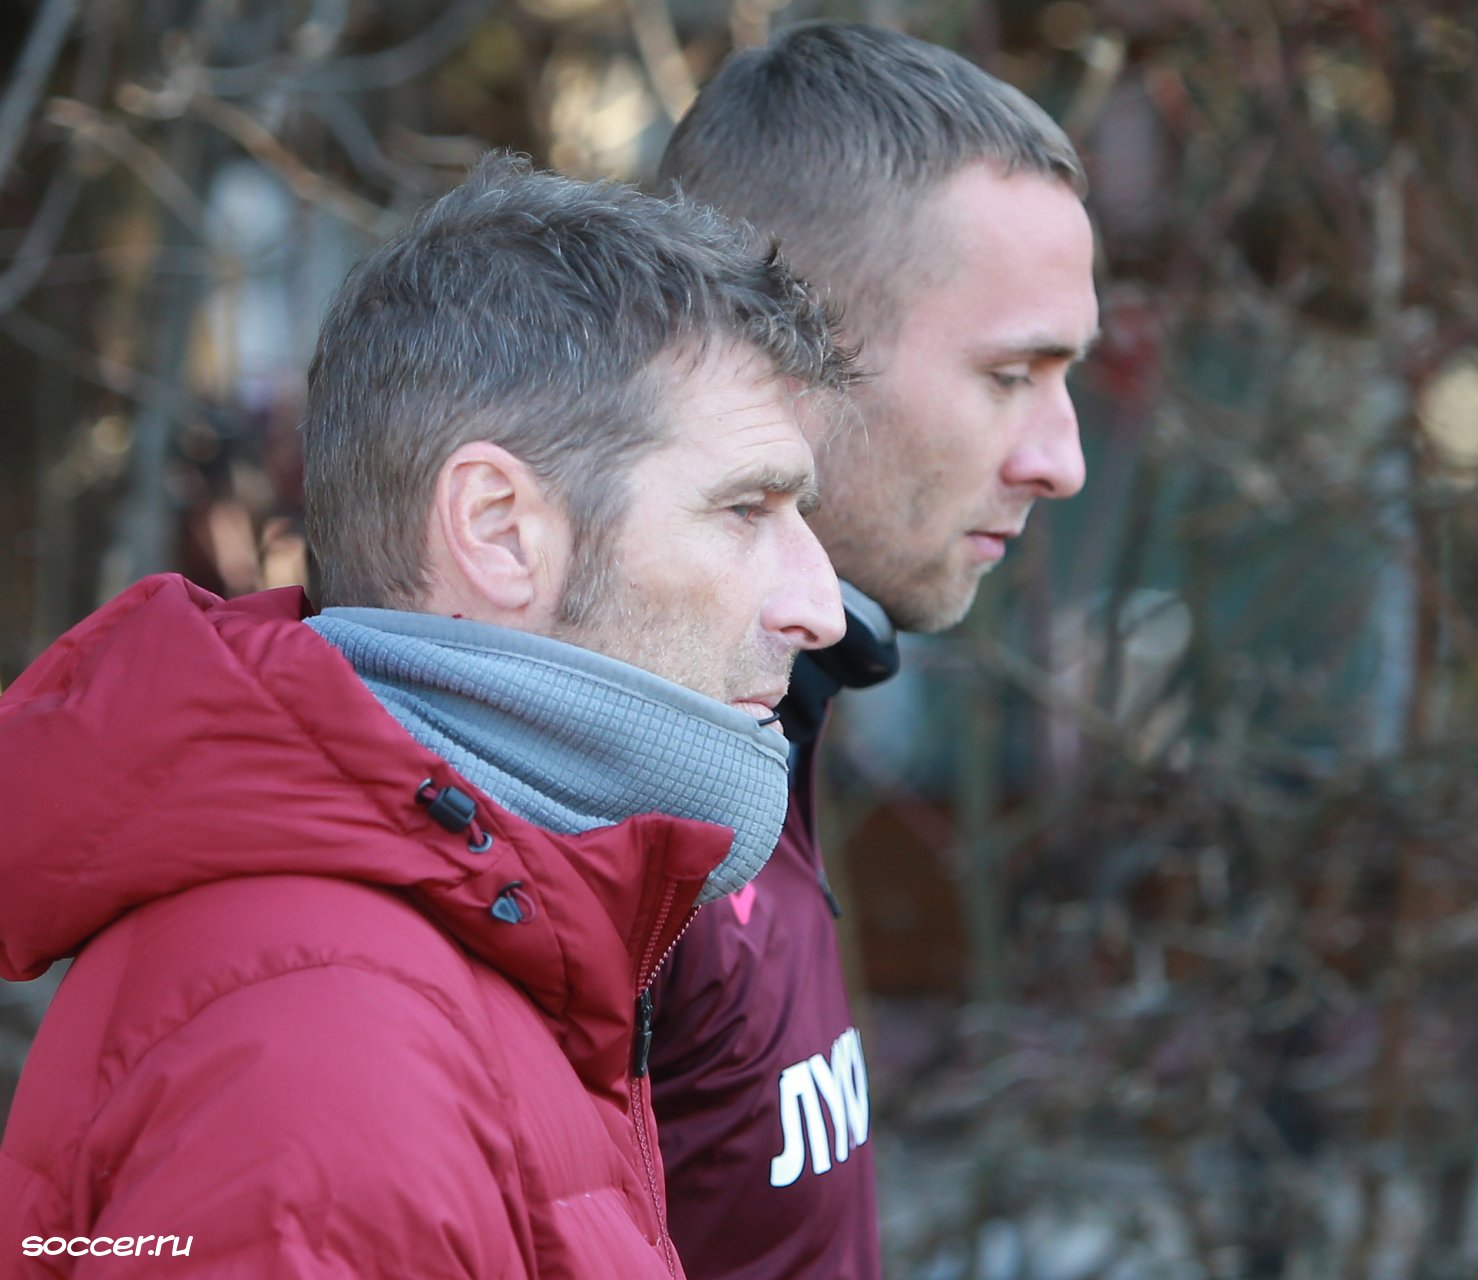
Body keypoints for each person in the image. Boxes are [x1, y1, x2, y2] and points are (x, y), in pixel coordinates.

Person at [0, 154, 855, 1278]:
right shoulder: (324, 1056)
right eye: (747, 507)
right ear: (499, 529)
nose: (819, 606)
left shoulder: (480, 944)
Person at [647, 23, 1101, 1278]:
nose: (1060, 458)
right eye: (1011, 374)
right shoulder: (582, 822)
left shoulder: (752, 732)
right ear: (788, 354)